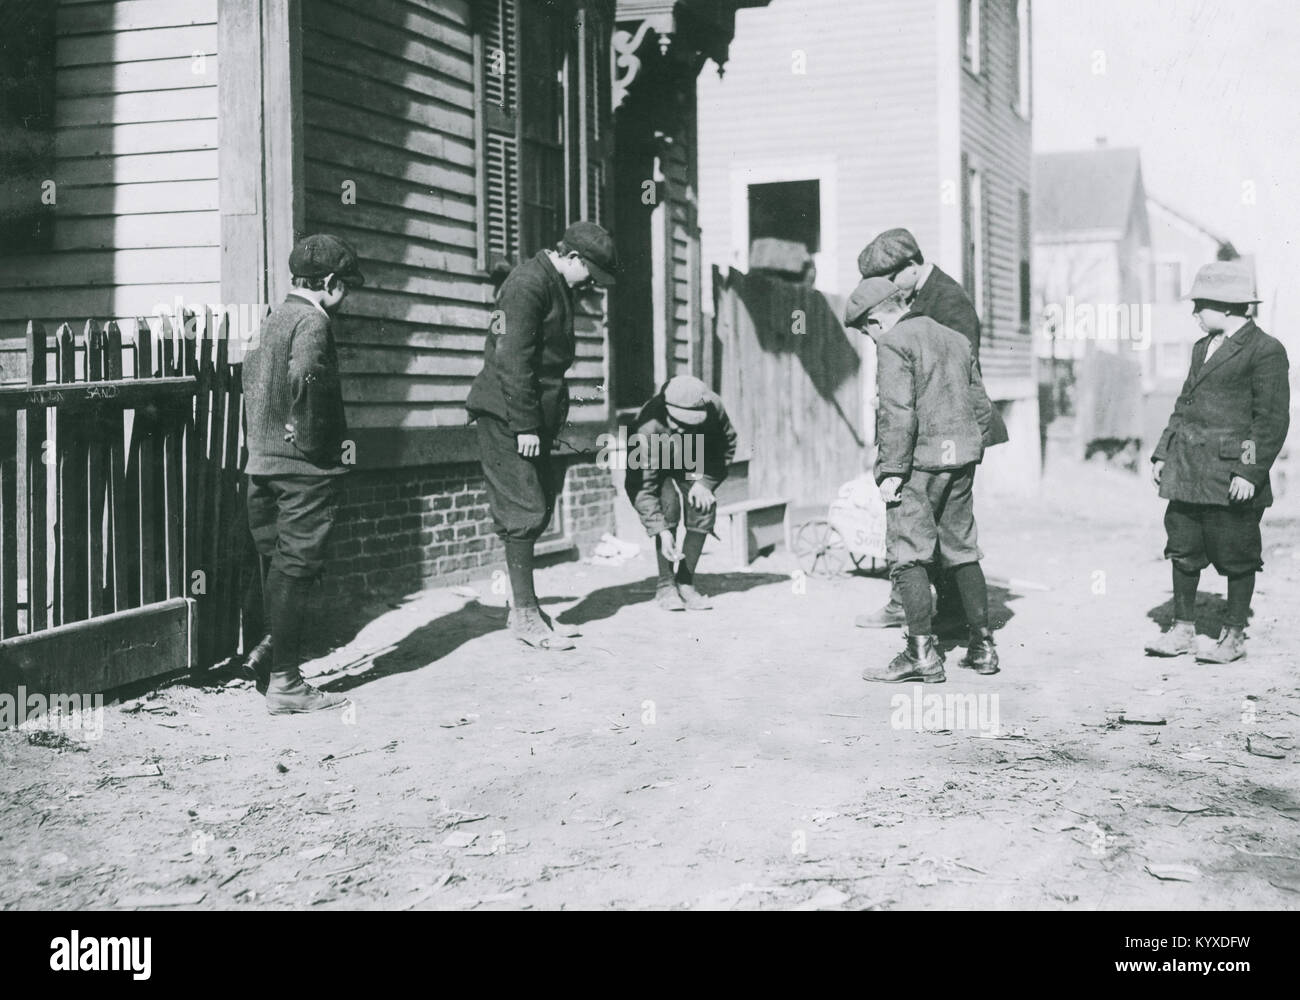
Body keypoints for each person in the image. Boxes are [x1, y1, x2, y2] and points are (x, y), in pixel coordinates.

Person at [467, 221, 619, 650]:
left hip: (536, 414)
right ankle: (526, 617)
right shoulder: (527, 284)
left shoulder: (556, 284)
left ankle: (525, 608)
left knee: (539, 505)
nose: (591, 284)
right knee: (523, 509)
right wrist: (526, 424)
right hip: (508, 414)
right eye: (589, 273)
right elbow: (510, 357)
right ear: (572, 257)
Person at [844, 277, 997, 682]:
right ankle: (983, 648)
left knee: (908, 554)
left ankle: (921, 654)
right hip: (961, 459)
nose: (870, 340)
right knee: (963, 549)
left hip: (918, 465)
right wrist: (969, 451)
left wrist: (891, 471)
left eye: (866, 332)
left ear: (876, 320)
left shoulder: (895, 343)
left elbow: (896, 411)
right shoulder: (955, 339)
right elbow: (980, 405)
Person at [855, 227, 1007, 634]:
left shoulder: (949, 301)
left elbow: (961, 375)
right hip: (936, 435)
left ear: (909, 268)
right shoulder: (914, 300)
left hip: (936, 437)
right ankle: (923, 610)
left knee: (928, 533)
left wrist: (897, 459)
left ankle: (937, 620)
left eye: (887, 281)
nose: (885, 291)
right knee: (941, 534)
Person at [1145, 259, 1290, 663]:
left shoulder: (1265, 350)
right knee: (1183, 547)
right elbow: (1184, 405)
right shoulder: (1201, 348)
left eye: (1199, 306)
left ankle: (1233, 636)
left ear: (1226, 306)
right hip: (1188, 470)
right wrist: (1163, 451)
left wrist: (1249, 469)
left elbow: (1271, 420)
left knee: (1236, 552)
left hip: (1231, 475)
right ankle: (1182, 630)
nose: (1194, 313)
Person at [243, 234, 363, 714]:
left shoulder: (273, 319)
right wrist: (314, 445)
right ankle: (287, 684)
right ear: (331, 283)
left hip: (261, 466)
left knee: (277, 567)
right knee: (296, 569)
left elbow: (253, 379)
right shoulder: (313, 321)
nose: (346, 296)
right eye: (346, 286)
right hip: (302, 471)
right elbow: (308, 379)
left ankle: (269, 657)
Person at [624, 375, 738, 611]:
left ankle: (686, 582)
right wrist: (660, 529)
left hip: (693, 457)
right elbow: (641, 486)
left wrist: (705, 483)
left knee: (702, 506)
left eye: (689, 424)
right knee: (668, 506)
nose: (681, 428)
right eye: (677, 422)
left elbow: (726, 446)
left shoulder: (712, 407)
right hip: (658, 459)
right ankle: (666, 586)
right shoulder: (646, 427)